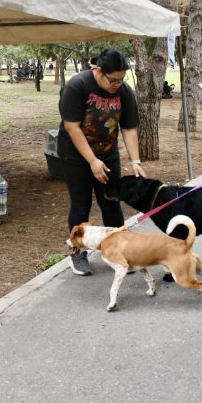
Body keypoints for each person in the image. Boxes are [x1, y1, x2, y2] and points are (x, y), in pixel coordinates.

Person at [57, 49, 146, 275]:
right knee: (81, 204)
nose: (117, 84)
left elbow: (128, 127)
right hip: (76, 156)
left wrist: (135, 160)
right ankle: (78, 254)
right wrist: (92, 161)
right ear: (98, 71)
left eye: (121, 80)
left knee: (111, 202)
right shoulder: (78, 86)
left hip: (107, 154)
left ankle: (120, 252)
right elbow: (72, 127)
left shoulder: (124, 91)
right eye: (113, 80)